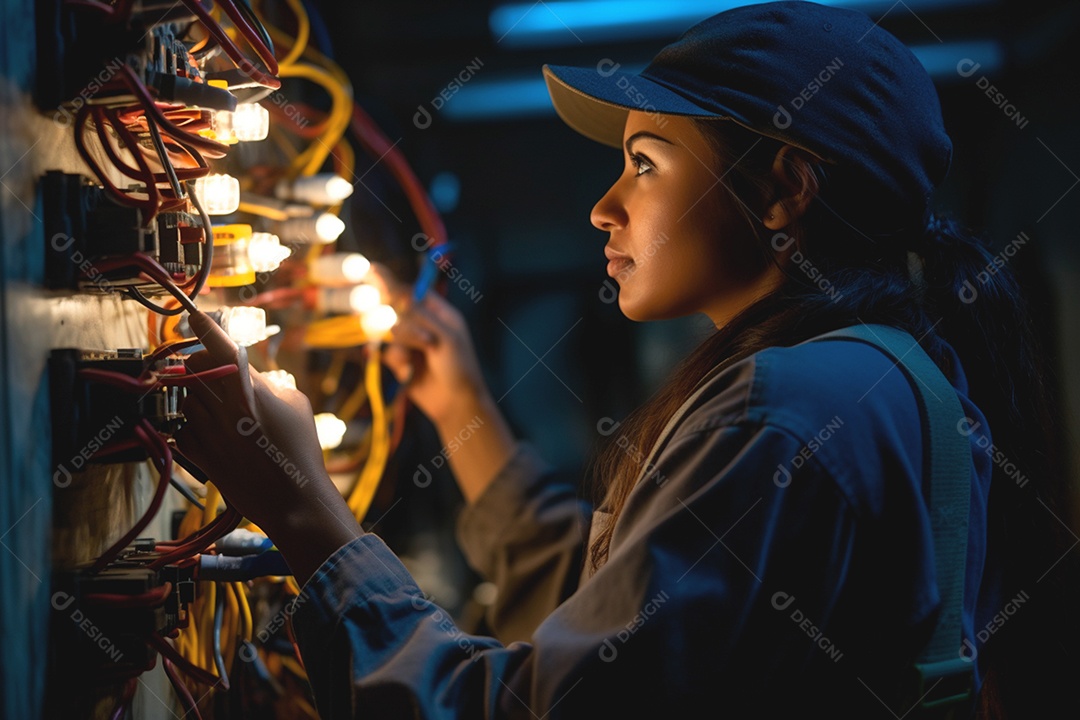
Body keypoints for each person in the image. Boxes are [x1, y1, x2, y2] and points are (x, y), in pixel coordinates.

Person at [176, 2, 1078, 717]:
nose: (604, 207)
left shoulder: (788, 413)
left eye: (644, 164)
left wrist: (302, 511)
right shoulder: (884, 382)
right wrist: (464, 415)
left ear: (784, 189)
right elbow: (624, 612)